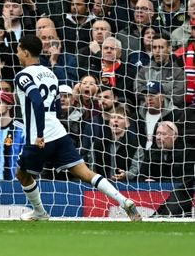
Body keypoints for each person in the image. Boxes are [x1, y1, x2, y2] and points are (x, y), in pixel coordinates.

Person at [13, 34, 141, 222]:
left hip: (39, 136)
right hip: (58, 132)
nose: (16, 53)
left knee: (22, 174)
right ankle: (124, 201)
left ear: (25, 51)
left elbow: (38, 102)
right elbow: (56, 106)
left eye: (17, 50)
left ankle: (39, 212)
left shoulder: (23, 76)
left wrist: (40, 133)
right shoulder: (50, 74)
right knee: (86, 173)